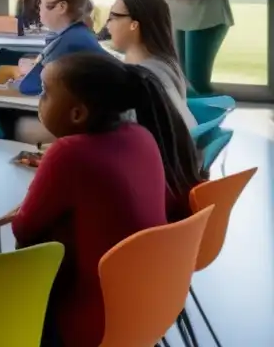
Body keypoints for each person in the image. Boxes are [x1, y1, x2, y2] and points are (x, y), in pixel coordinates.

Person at [12, 52, 205, 347]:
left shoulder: (68, 153)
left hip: (92, 318)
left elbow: (23, 229)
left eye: (45, 93)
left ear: (77, 113)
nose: (40, 99)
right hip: (150, 304)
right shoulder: (141, 136)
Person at [0, 0, 107, 142]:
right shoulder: (80, 34)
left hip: (84, 123)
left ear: (61, 7)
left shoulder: (66, 42)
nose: (39, 8)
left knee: (1, 108)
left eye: (43, 3)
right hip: (90, 115)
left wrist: (10, 86)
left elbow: (29, 87)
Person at [106, 0, 196, 131]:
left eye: (113, 16)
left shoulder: (141, 79)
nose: (107, 24)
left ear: (134, 25)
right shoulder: (166, 64)